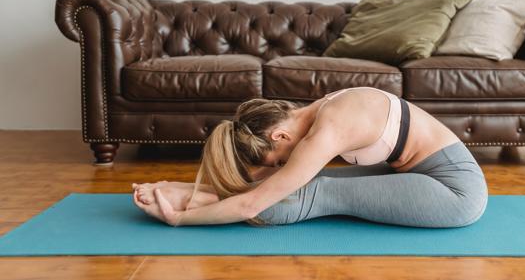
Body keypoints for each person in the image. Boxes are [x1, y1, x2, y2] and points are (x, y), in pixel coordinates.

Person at [132, 86, 488, 228]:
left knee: (305, 196)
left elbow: (250, 207)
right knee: (300, 186)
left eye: (277, 159)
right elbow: (266, 186)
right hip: (418, 174)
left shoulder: (329, 126)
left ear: (279, 136)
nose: (282, 165)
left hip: (455, 193)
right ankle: (199, 193)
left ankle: (196, 200)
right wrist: (190, 183)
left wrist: (180, 219)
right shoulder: (324, 107)